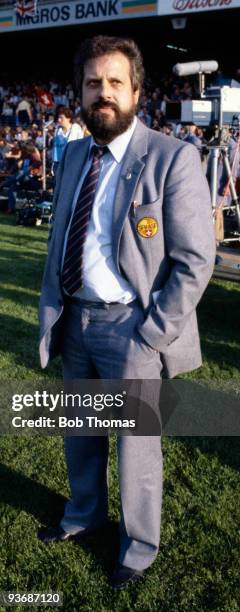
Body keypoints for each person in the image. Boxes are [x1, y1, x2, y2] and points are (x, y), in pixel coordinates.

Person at [38, 36, 215, 589]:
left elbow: (195, 258)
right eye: (93, 83)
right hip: (77, 321)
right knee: (80, 434)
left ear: (137, 91)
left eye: (115, 82)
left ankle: (138, 548)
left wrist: (154, 331)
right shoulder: (72, 154)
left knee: (137, 449)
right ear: (81, 92)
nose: (103, 94)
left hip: (132, 328)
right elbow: (61, 237)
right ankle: (83, 515)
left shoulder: (171, 156)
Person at [51, 107, 83, 176]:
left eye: (61, 118)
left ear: (68, 118)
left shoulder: (76, 128)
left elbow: (81, 147)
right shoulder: (57, 131)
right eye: (58, 118)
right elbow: (56, 149)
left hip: (72, 163)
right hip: (59, 163)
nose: (59, 120)